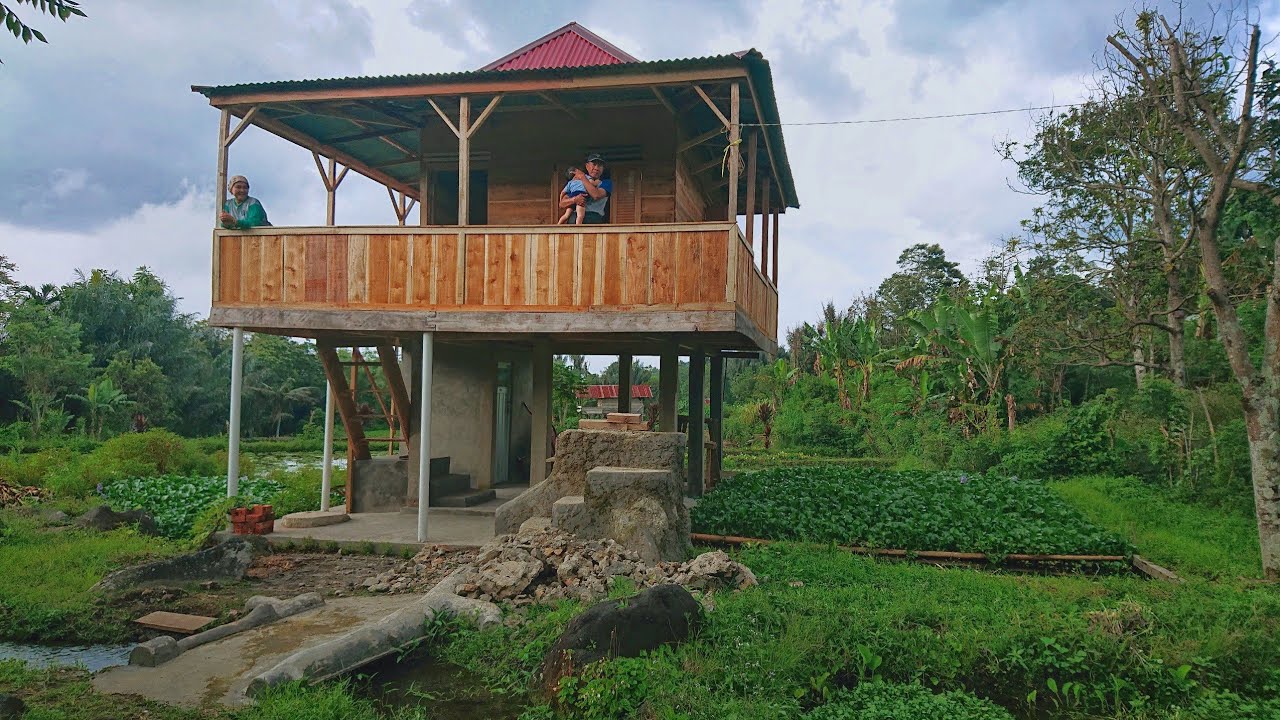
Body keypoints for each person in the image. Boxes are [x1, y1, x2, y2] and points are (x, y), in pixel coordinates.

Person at [557, 153, 611, 224]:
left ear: (603, 168)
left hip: (593, 219)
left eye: (600, 165)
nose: (596, 168)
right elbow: (562, 204)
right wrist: (574, 199)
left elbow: (596, 195)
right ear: (587, 166)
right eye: (594, 164)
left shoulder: (606, 182)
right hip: (573, 218)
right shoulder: (576, 182)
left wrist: (582, 177)